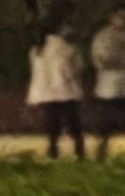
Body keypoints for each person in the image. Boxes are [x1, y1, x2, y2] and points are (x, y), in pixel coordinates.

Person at [88, 2, 125, 157]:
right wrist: (117, 59)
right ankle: (101, 153)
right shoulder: (105, 36)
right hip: (111, 89)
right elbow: (102, 60)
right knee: (106, 127)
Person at [26, 16, 86, 158]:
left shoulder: (37, 49)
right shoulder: (68, 48)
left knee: (52, 125)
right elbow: (75, 68)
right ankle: (79, 152)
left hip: (46, 93)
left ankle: (53, 152)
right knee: (74, 125)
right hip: (66, 91)